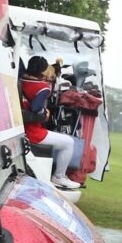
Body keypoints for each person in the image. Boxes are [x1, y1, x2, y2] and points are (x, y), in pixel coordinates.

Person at [20, 54, 81, 190]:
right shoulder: (43, 87)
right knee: (68, 143)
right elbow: (36, 108)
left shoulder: (22, 80)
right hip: (33, 132)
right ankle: (59, 177)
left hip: (23, 129)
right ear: (42, 71)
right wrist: (44, 113)